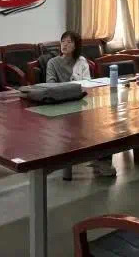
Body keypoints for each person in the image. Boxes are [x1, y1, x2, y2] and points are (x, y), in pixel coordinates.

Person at [45, 31, 115, 177]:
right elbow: (50, 85)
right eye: (63, 41)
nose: (65, 44)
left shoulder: (82, 62)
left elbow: (87, 84)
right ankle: (94, 159)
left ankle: (102, 160)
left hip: (81, 101)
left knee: (103, 124)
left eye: (69, 42)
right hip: (62, 104)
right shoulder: (53, 63)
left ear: (76, 45)